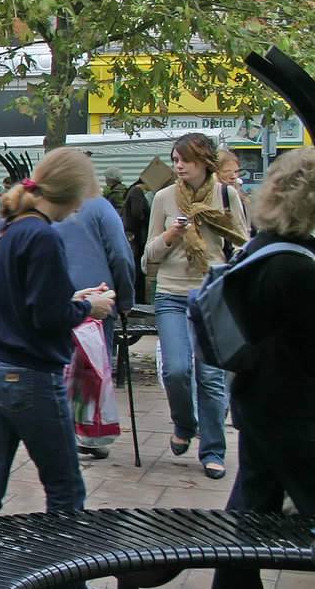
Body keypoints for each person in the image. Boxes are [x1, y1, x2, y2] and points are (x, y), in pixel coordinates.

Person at [0, 148, 120, 589]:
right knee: (66, 488)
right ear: (69, 196)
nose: (82, 208)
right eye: (82, 198)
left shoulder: (6, 227)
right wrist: (89, 309)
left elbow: (19, 302)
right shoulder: (42, 236)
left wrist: (71, 299)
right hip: (29, 376)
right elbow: (47, 318)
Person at [204, 148, 315, 589]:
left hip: (259, 401)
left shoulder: (263, 249)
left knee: (253, 505)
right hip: (294, 411)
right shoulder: (297, 268)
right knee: (258, 504)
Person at [143, 133, 249, 479]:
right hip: (171, 294)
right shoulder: (163, 198)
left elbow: (243, 247)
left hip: (210, 296)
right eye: (174, 160)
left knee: (211, 376)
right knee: (176, 370)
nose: (178, 166)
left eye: (184, 160)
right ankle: (184, 424)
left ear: (204, 161)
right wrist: (171, 236)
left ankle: (213, 451)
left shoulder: (226, 196)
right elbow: (147, 258)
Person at [54, 191, 136, 458]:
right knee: (94, 370)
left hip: (58, 298)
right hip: (97, 300)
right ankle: (91, 435)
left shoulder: (50, 208)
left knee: (62, 368)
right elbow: (121, 255)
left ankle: (66, 432)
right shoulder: (101, 208)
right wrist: (125, 298)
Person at [122, 181, 151, 304]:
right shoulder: (137, 191)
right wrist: (144, 218)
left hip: (133, 236)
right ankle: (137, 299)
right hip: (136, 237)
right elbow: (137, 212)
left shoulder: (132, 191)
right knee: (137, 269)